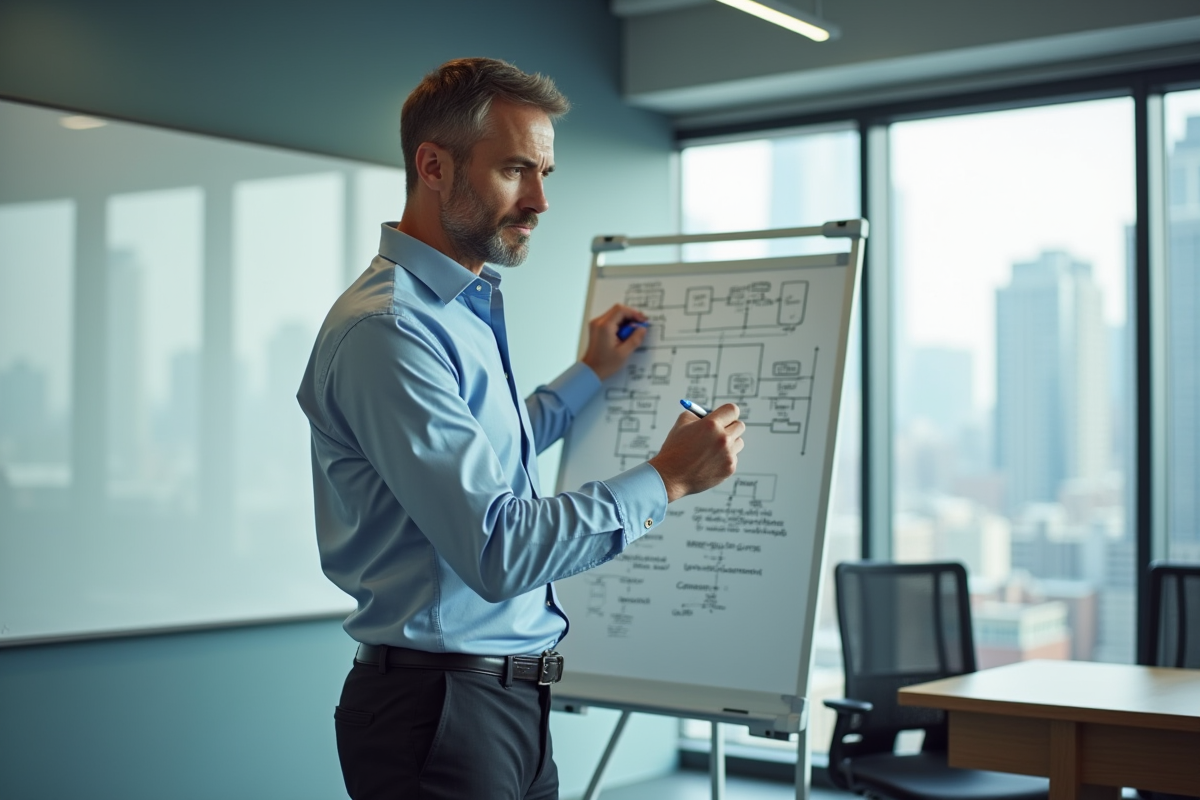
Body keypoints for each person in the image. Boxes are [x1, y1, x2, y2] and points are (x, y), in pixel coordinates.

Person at [296, 57, 745, 800]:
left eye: (545, 173)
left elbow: (494, 453)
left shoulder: (452, 311)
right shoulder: (391, 331)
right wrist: (667, 479)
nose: (539, 200)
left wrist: (589, 377)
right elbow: (498, 546)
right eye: (514, 170)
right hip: (439, 714)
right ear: (433, 166)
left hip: (502, 707)